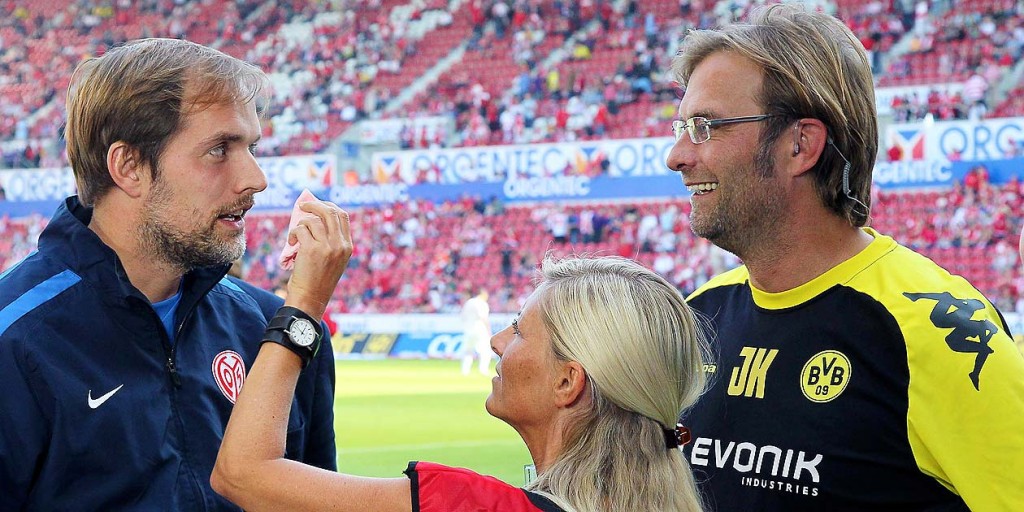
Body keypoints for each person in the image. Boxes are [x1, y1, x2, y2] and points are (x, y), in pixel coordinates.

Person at [665, 4, 1024, 511]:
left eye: (705, 126)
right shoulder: (698, 317)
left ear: (800, 145)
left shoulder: (934, 331)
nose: (677, 155)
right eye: (680, 127)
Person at [0, 38, 339, 510]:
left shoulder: (274, 328)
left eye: (252, 146)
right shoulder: (15, 340)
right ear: (129, 166)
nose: (256, 178)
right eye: (220, 149)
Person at [213, 255, 709, 511]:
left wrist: (303, 305)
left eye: (518, 329)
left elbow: (240, 473)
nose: (496, 340)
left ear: (567, 381)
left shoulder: (469, 505)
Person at [460, 288, 493, 375]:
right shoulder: (482, 303)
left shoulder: (469, 302)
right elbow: (483, 318)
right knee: (485, 350)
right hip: (480, 329)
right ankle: (483, 369)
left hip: (468, 330)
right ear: (483, 295)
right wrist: (488, 330)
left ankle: (465, 370)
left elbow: (463, 316)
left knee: (468, 351)